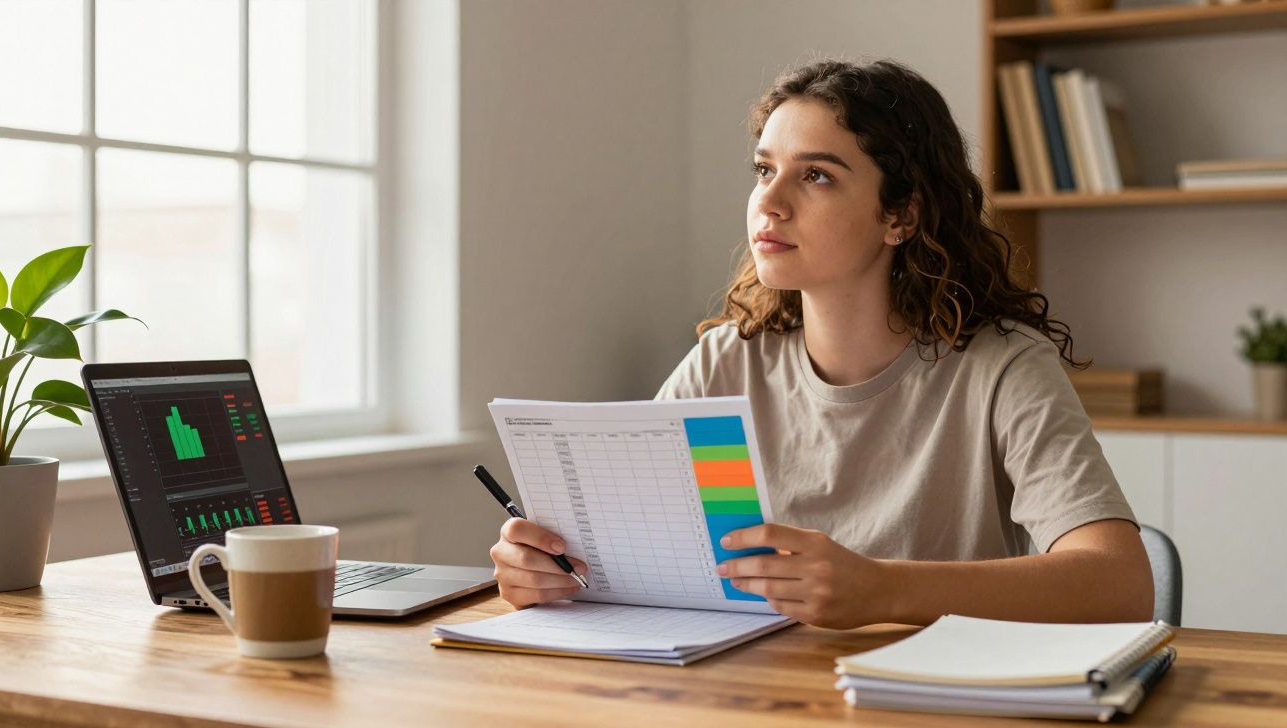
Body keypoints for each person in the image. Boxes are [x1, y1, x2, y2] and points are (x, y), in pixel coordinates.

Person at [489, 58, 1153, 628]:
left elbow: (1120, 585)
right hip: (757, 700)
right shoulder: (726, 364)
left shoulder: (1001, 370)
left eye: (816, 176)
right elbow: (630, 560)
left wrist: (883, 589)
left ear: (901, 214)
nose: (768, 204)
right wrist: (550, 571)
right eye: (763, 170)